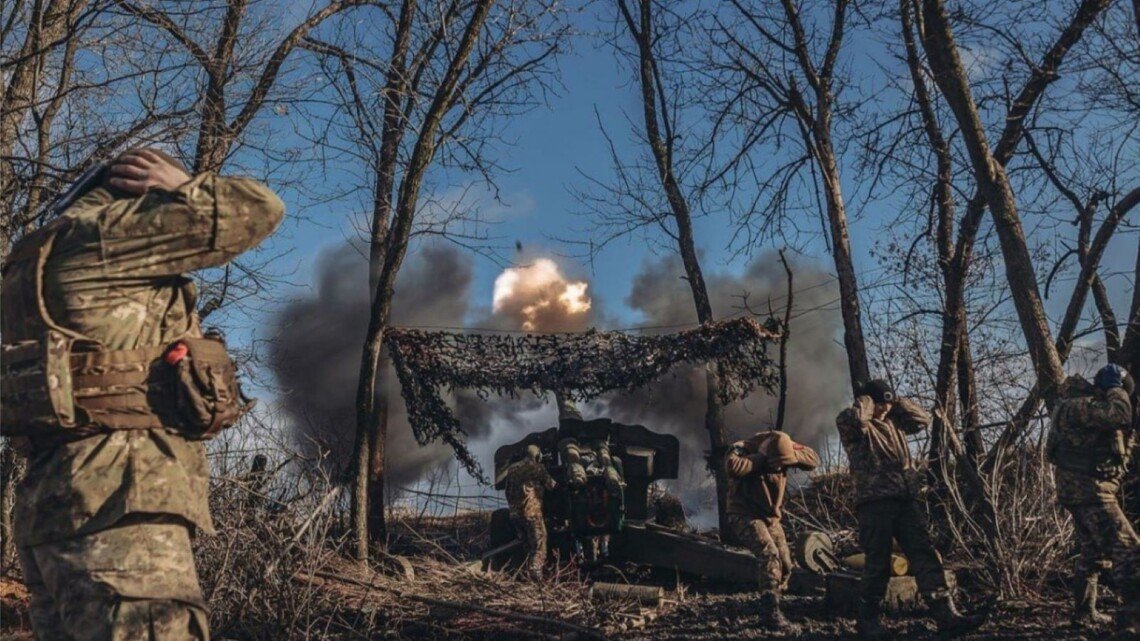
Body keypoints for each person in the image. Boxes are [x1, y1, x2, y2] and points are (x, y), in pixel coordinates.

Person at [1, 148, 284, 640]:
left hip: (49, 519)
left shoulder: (27, 263)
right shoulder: (105, 234)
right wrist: (181, 186)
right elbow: (259, 208)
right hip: (122, 510)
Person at [835, 379, 986, 639]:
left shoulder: (895, 423)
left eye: (887, 403)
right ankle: (868, 620)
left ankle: (946, 615)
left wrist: (896, 401)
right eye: (879, 403)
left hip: (906, 501)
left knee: (924, 555)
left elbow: (923, 419)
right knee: (878, 563)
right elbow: (858, 420)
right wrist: (867, 400)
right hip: (875, 503)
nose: (884, 408)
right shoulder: (853, 423)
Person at [1046, 364, 1138, 635]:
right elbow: (1120, 414)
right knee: (1129, 550)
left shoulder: (1087, 408)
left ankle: (1085, 613)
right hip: (1088, 491)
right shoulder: (1080, 406)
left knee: (1093, 554)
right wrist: (1117, 388)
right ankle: (1133, 622)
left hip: (1085, 490)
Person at [724, 429, 819, 632]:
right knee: (769, 555)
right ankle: (770, 613)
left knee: (785, 564)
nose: (779, 468)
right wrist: (761, 457)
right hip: (744, 514)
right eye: (776, 464)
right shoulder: (743, 448)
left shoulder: (783, 447)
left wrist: (792, 454)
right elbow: (733, 467)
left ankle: (772, 598)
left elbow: (813, 459)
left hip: (770, 517)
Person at [502, 444, 557, 579]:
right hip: (531, 513)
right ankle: (535, 574)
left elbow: (507, 491)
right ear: (537, 455)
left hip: (515, 515)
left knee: (527, 546)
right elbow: (552, 486)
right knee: (539, 545)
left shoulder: (512, 469)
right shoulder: (537, 468)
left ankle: (526, 575)